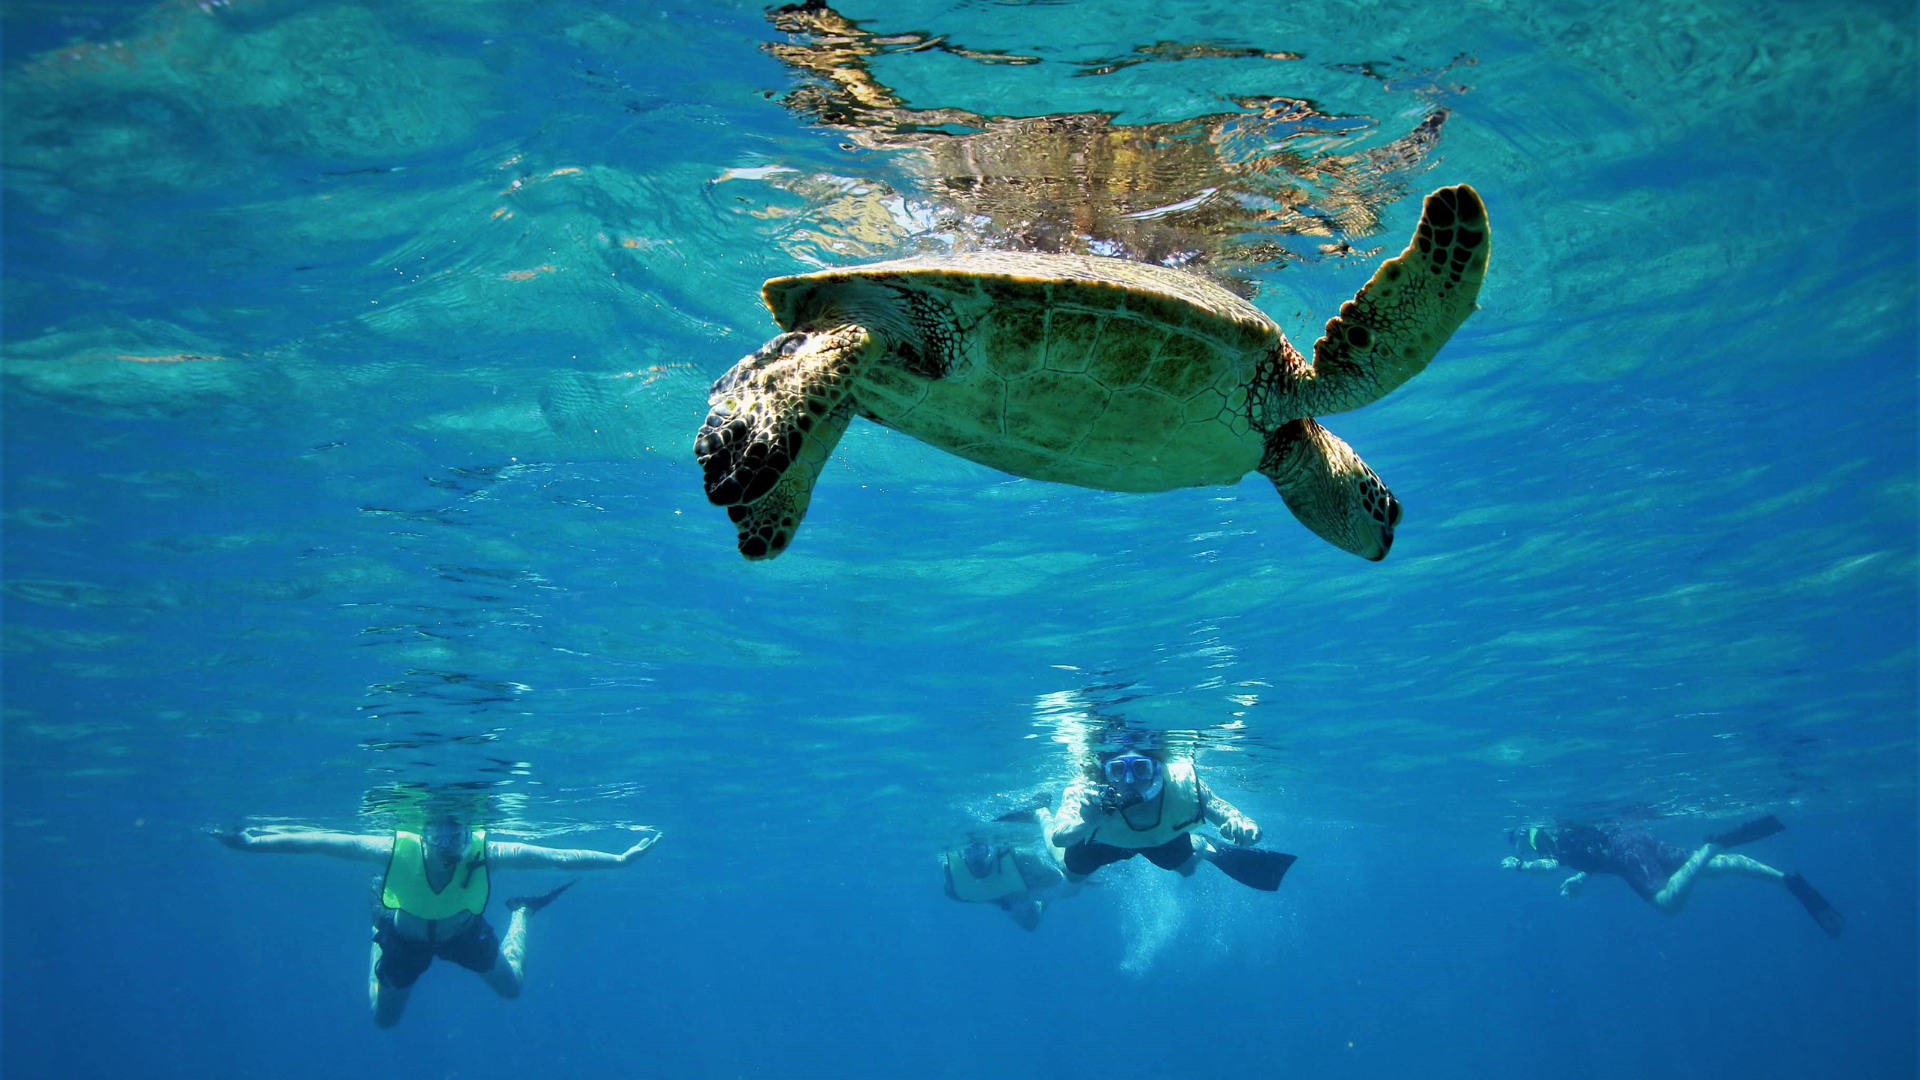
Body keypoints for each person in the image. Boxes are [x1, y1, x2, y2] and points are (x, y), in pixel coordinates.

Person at [217, 814, 662, 1026]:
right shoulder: (396, 849)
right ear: (422, 833)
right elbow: (321, 840)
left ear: (469, 832)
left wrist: (619, 860)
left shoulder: (485, 853)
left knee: (512, 989)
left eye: (458, 834)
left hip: (465, 935)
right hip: (405, 942)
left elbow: (558, 856)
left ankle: (521, 913)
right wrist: (254, 842)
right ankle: (379, 932)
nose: (449, 844)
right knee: (383, 1019)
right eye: (439, 834)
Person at [1502, 814, 1842, 937]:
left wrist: (1519, 866)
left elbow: (1549, 865)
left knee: (1667, 903)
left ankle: (1711, 847)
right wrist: (1580, 878)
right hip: (1634, 839)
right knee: (1709, 869)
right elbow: (1590, 851)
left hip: (1625, 852)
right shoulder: (1562, 827)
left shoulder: (1537, 835)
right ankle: (1788, 880)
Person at [1046, 737, 1296, 891]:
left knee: (1187, 869)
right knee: (1070, 875)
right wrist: (1086, 822)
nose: (1130, 781)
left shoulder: (1181, 783)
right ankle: (1039, 814)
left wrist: (1246, 829)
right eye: (1118, 771)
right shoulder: (1085, 791)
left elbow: (1232, 816)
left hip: (1160, 836)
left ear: (1158, 770)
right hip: (1103, 840)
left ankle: (1201, 844)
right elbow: (1060, 837)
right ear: (1104, 773)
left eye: (1142, 769)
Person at [941, 803, 1081, 930]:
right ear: (959, 851)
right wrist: (999, 900)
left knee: (1032, 920)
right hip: (1005, 891)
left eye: (980, 850)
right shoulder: (951, 870)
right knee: (1028, 922)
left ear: (992, 849)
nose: (974, 857)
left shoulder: (1021, 858)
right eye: (967, 850)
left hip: (1032, 884)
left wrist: (1028, 894)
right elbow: (961, 895)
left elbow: (1060, 879)